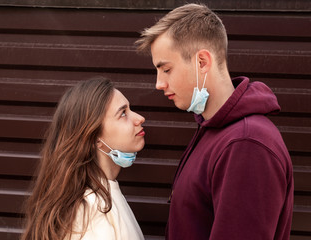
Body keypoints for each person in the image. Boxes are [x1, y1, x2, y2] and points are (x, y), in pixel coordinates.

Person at [135, 3, 293, 240]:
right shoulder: (215, 130)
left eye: (166, 69)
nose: (159, 83)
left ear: (202, 62)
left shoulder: (246, 144)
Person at [21, 77, 146, 240]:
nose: (139, 118)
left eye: (130, 109)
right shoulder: (91, 211)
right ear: (94, 138)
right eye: (123, 113)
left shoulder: (106, 192)